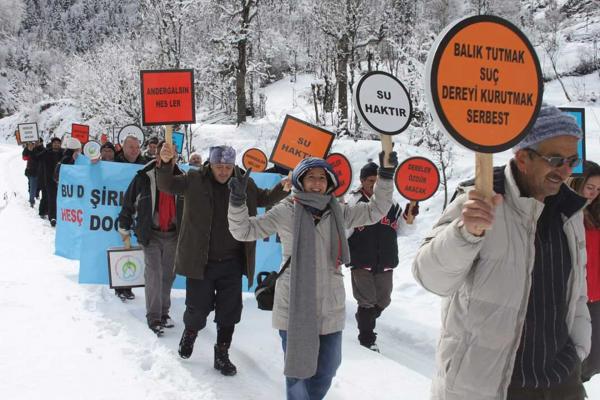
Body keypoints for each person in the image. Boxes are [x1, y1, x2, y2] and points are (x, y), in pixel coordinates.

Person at [412, 105, 590, 400]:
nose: (566, 170)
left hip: (561, 382)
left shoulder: (569, 213)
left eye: (572, 160)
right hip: (490, 385)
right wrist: (465, 233)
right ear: (523, 158)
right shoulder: (479, 198)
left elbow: (577, 293)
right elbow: (431, 278)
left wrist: (577, 352)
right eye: (556, 159)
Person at [228, 153, 396, 399]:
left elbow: (376, 210)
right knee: (298, 372)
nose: (316, 182)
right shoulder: (286, 211)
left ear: (329, 182)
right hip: (294, 305)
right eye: (310, 177)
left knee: (328, 368)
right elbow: (244, 230)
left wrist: (386, 177)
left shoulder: (339, 210)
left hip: (330, 304)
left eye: (321, 177)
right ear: (299, 181)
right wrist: (237, 201)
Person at [157, 143, 288, 376]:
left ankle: (222, 353)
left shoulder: (244, 183)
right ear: (211, 164)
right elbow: (166, 184)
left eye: (228, 166)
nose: (224, 171)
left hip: (233, 262)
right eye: (219, 166)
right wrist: (166, 164)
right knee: (197, 309)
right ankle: (190, 333)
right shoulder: (194, 179)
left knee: (230, 311)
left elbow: (264, 198)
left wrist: (283, 187)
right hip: (201, 261)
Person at [346, 160, 419, 352]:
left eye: (379, 180)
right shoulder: (354, 203)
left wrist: (409, 218)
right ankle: (367, 339)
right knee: (367, 301)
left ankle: (365, 319)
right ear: (362, 181)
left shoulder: (392, 204)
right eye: (371, 180)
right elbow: (344, 233)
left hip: (385, 261)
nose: (375, 184)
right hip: (361, 260)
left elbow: (402, 231)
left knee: (383, 301)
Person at [119, 140, 182, 336]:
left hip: (173, 234)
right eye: (164, 153)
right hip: (151, 233)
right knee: (154, 273)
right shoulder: (143, 177)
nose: (167, 157)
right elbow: (128, 203)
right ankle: (154, 316)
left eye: (172, 154)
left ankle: (164, 312)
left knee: (168, 275)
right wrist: (124, 226)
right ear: (157, 155)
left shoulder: (183, 178)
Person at [569, 161, 600, 382]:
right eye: (590, 187)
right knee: (572, 365)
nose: (595, 194)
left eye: (599, 190)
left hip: (597, 300)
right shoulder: (566, 214)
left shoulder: (595, 214)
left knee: (590, 363)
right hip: (574, 300)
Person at [113, 135, 147, 300]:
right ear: (123, 147)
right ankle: (122, 285)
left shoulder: (146, 164)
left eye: (136, 147)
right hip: (119, 212)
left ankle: (133, 282)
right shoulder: (112, 163)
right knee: (123, 246)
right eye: (130, 147)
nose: (134, 150)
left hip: (140, 214)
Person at [31, 137, 63, 226]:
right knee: (52, 198)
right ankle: (52, 217)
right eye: (55, 143)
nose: (56, 144)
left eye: (58, 143)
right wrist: (35, 147)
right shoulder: (47, 153)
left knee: (60, 199)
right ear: (52, 144)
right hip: (49, 180)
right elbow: (35, 157)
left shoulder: (63, 153)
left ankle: (60, 216)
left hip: (62, 181)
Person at [22, 140, 41, 208]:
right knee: (32, 186)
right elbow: (24, 158)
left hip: (39, 171)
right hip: (31, 171)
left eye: (37, 142)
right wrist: (28, 149)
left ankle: (33, 198)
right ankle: (32, 200)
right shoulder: (27, 149)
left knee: (35, 186)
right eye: (33, 143)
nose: (34, 144)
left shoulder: (40, 149)